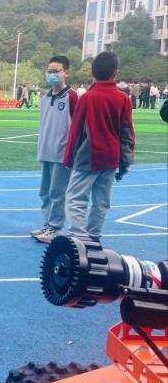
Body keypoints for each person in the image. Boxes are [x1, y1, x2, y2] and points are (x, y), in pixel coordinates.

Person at [63, 51, 135, 242]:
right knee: (101, 200)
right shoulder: (123, 98)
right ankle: (94, 236)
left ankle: (79, 237)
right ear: (115, 72)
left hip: (88, 156)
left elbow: (76, 131)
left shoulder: (87, 97)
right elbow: (127, 133)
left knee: (76, 197)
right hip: (111, 157)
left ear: (92, 73)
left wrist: (69, 159)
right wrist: (126, 161)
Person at [30, 56, 79, 243]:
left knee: (57, 193)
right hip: (45, 150)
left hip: (62, 153)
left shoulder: (72, 97)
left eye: (56, 71)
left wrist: (73, 151)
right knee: (45, 192)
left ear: (66, 72)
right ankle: (48, 223)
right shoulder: (45, 97)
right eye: (49, 71)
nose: (52, 75)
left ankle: (55, 227)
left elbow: (78, 125)